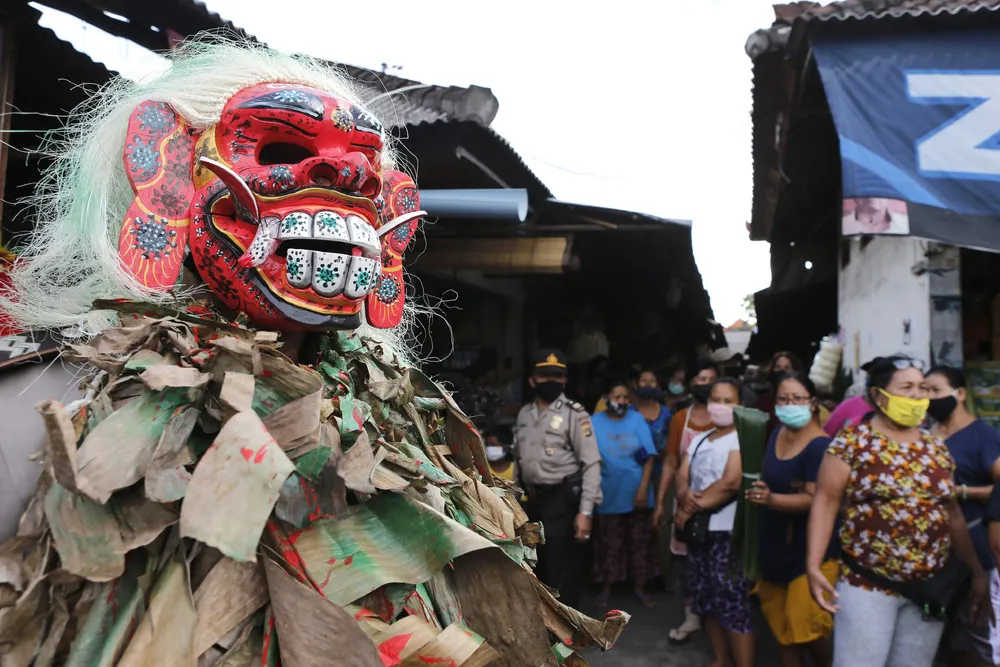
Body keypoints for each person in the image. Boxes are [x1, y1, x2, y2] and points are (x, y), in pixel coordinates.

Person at [807, 355, 990, 667]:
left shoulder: (935, 447)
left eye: (922, 388)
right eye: (906, 387)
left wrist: (975, 571)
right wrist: (812, 565)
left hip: (929, 588)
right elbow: (826, 501)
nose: (918, 396)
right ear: (879, 396)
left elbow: (952, 514)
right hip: (869, 585)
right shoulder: (853, 441)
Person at [747, 372, 837, 667]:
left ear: (812, 403)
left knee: (807, 629)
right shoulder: (776, 434)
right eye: (783, 399)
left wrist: (772, 500)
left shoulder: (821, 446)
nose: (790, 404)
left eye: (797, 398)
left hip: (810, 549)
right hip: (773, 544)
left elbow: (817, 500)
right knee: (782, 630)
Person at [676, 378, 755, 667]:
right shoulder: (699, 439)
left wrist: (689, 509)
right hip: (701, 534)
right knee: (706, 600)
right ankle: (720, 659)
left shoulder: (742, 439)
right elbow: (681, 475)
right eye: (715, 400)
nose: (719, 407)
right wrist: (683, 494)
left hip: (728, 533)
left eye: (727, 401)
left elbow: (731, 482)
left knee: (733, 603)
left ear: (741, 406)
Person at [515, 349, 602, 609]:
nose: (550, 381)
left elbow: (592, 464)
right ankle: (546, 630)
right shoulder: (524, 414)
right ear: (533, 379)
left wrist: (586, 512)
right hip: (532, 502)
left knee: (562, 574)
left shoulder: (575, 414)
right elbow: (520, 462)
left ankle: (568, 636)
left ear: (564, 380)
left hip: (562, 501)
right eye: (544, 375)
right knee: (537, 568)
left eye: (557, 376)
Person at [926, 365, 1000, 667]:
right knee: (946, 636)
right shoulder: (925, 435)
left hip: (976, 545)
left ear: (960, 394)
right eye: (924, 391)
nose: (929, 398)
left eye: (936, 391)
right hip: (935, 552)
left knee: (979, 628)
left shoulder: (982, 436)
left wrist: (963, 492)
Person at [653, 360, 718, 643]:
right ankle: (692, 617)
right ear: (692, 383)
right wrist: (660, 503)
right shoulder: (681, 418)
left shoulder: (728, 417)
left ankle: (717, 619)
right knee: (688, 562)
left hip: (722, 503)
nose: (706, 384)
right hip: (685, 501)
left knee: (717, 560)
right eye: (701, 379)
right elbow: (671, 462)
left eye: (712, 379)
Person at [591, 380, 659, 608]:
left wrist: (643, 490)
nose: (620, 402)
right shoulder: (594, 422)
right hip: (608, 494)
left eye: (624, 398)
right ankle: (607, 586)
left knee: (639, 543)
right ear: (605, 399)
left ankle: (640, 587)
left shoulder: (637, 420)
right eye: (616, 396)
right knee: (609, 543)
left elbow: (650, 456)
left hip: (637, 494)